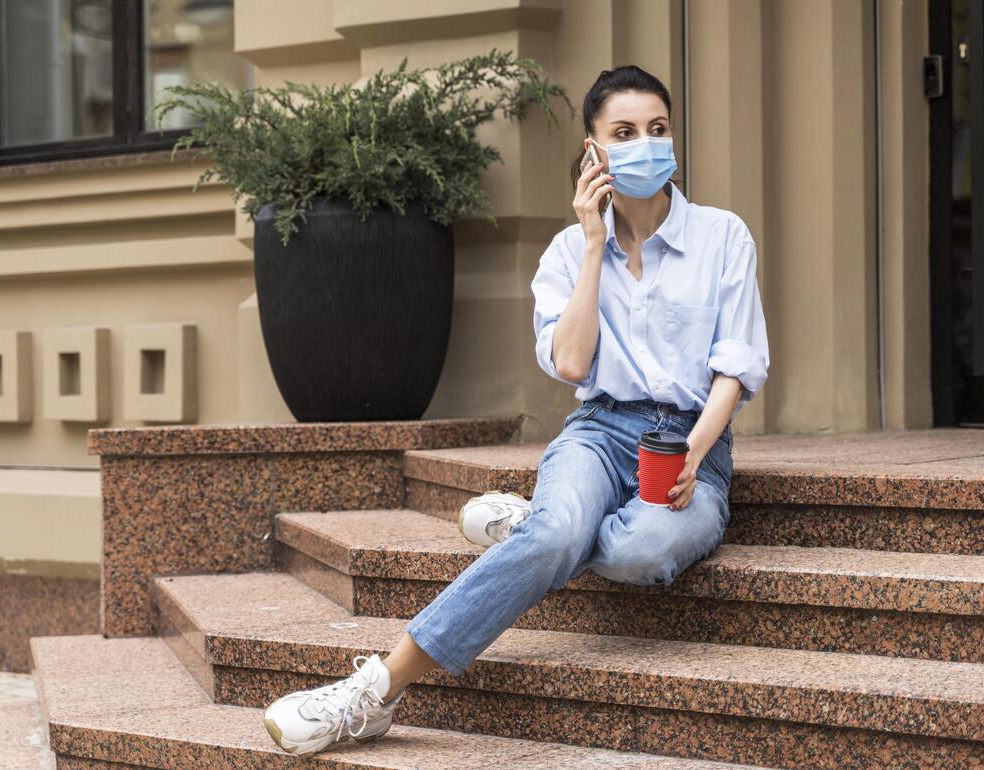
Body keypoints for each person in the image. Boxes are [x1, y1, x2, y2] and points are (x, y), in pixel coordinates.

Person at [262, 64, 770, 756]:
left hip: (693, 442)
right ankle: (376, 690)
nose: (646, 145)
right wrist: (593, 242)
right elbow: (572, 364)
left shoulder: (722, 236)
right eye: (624, 133)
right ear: (593, 150)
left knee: (638, 551)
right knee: (560, 535)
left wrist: (696, 447)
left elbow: (735, 364)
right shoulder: (565, 252)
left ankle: (536, 528)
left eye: (657, 129)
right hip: (600, 432)